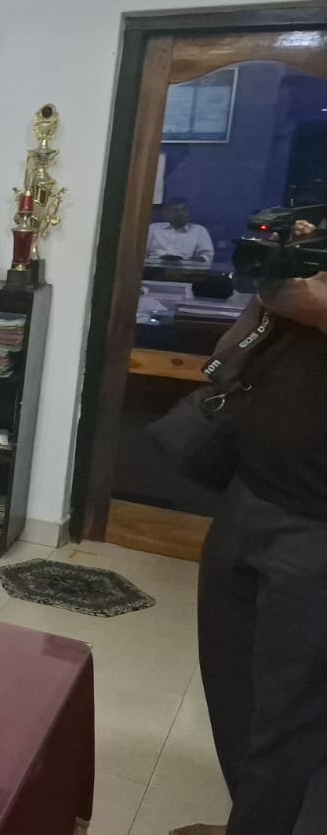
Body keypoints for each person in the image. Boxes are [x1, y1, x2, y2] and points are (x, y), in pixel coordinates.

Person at [185, 214, 327, 834]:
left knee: (292, 715)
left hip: (315, 527)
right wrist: (272, 289)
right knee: (233, 689)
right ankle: (253, 819)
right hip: (251, 496)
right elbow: (224, 356)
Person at [147, 197, 214, 262]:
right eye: (176, 210)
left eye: (184, 209)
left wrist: (191, 263)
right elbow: (142, 250)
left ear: (189, 212)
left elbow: (207, 255)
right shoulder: (154, 228)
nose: (180, 213)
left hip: (185, 267)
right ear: (168, 213)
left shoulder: (199, 230)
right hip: (153, 266)